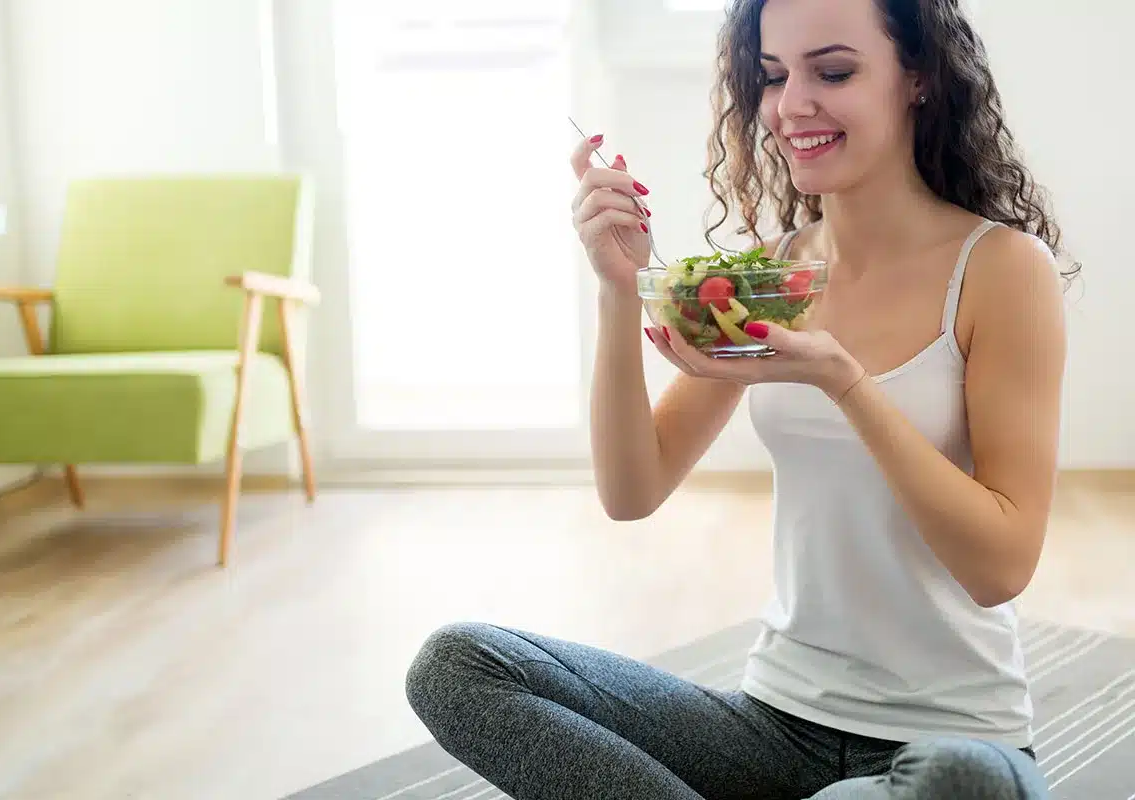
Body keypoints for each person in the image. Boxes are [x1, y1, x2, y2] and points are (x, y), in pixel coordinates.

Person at [404, 0, 1072, 797]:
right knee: (457, 665)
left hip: (948, 738)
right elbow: (632, 488)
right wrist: (621, 291)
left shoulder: (1001, 269)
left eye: (833, 71)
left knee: (965, 782)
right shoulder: (771, 274)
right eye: (771, 76)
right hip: (775, 725)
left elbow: (1002, 567)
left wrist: (844, 383)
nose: (793, 105)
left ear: (921, 77)